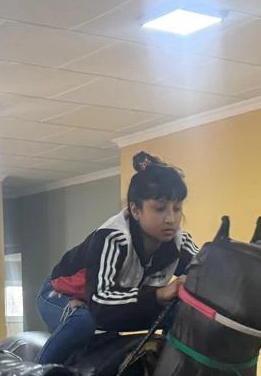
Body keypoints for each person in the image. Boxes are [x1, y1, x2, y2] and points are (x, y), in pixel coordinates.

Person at [34, 151, 196, 365]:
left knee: (181, 314)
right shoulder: (113, 238)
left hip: (112, 305)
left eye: (177, 208)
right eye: (160, 209)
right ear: (135, 210)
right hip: (61, 294)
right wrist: (159, 294)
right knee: (83, 321)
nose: (171, 219)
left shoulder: (179, 242)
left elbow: (204, 271)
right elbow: (100, 304)